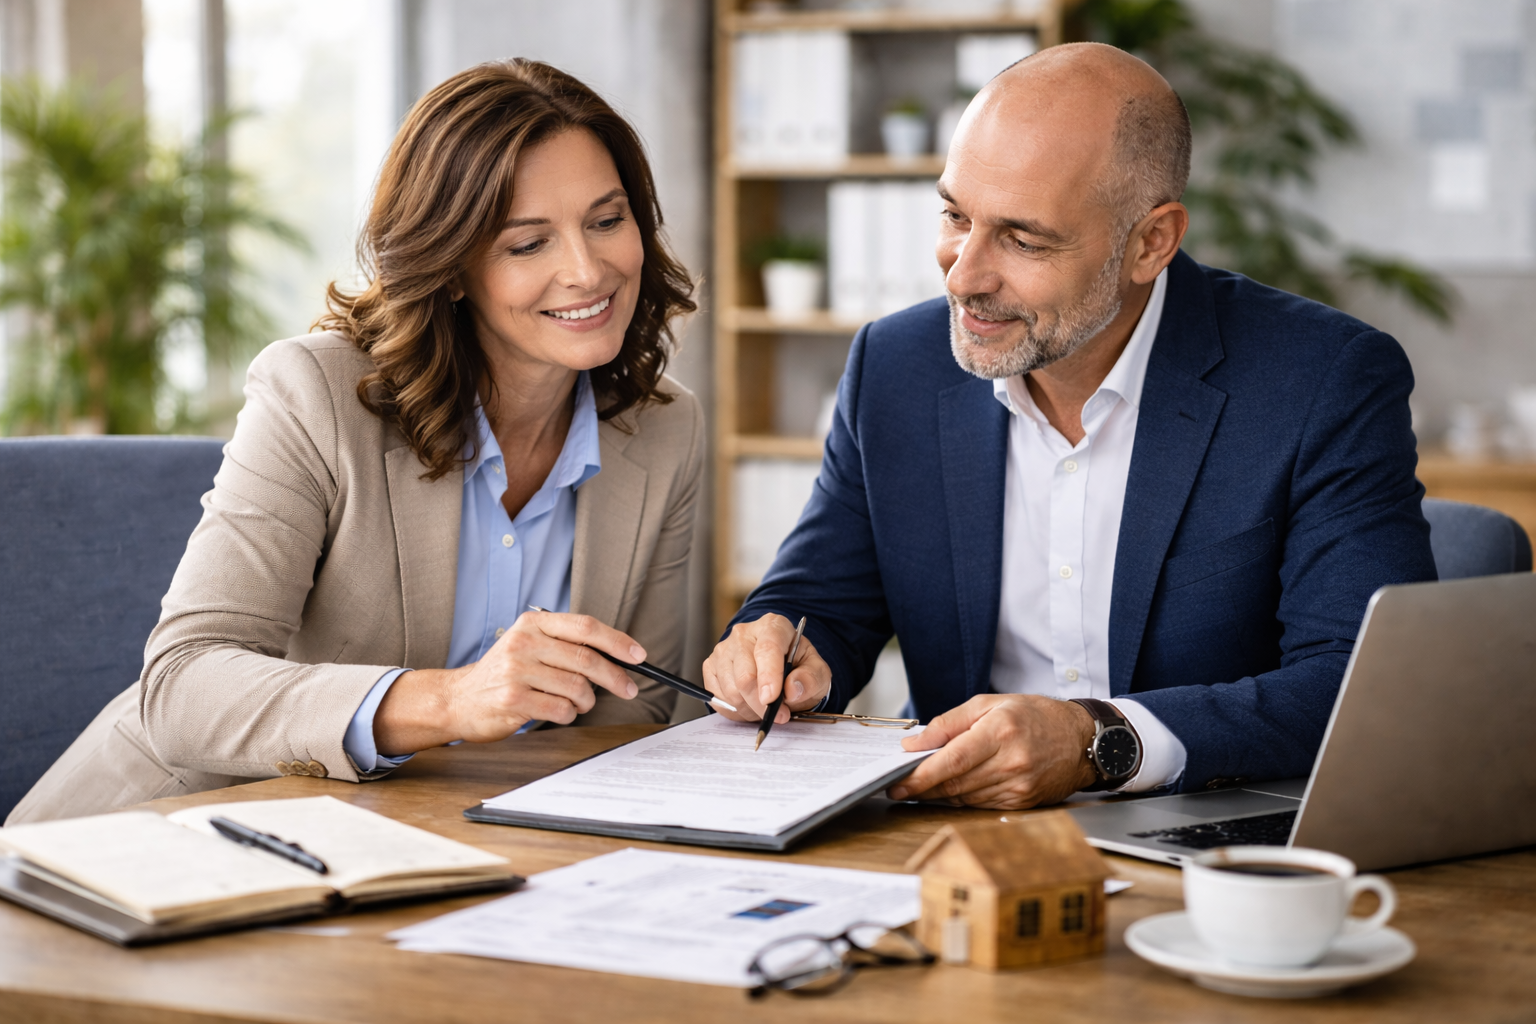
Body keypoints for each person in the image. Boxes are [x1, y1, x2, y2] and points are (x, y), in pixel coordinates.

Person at [703, 43, 1436, 809]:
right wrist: (780, 645)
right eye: (955, 215)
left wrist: (1099, 742)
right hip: (959, 844)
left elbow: (1357, 679)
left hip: (1210, 844)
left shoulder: (1321, 378)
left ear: (1151, 242)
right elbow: (824, 600)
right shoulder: (897, 366)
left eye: (1023, 240)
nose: (962, 276)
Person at [9, 59, 704, 824]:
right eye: (526, 244)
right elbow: (183, 686)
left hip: (436, 851)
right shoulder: (316, 395)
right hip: (168, 837)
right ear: (452, 268)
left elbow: (636, 714)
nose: (587, 269)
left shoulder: (664, 430)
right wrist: (450, 700)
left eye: (607, 221)